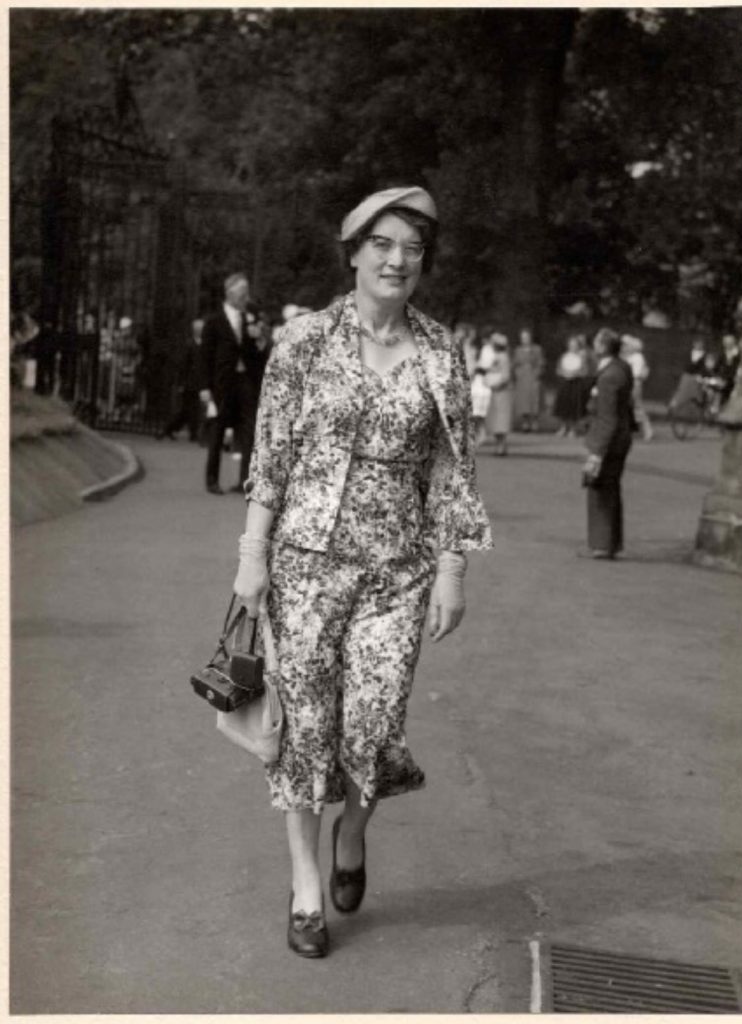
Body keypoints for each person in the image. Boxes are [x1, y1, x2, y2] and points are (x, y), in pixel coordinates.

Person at [232, 185, 492, 958]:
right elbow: (271, 456)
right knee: (306, 729)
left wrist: (452, 570)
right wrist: (251, 558)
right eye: (382, 243)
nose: (397, 258)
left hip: (397, 572)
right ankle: (306, 888)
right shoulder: (305, 341)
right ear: (353, 252)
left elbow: (452, 468)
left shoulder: (442, 351)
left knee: (372, 728)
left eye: (412, 247)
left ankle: (355, 831)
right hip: (305, 566)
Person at [199, 273, 270, 494]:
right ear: (230, 294)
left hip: (246, 380)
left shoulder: (251, 317)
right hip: (223, 382)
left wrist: (259, 340)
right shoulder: (214, 321)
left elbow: (260, 353)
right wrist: (204, 387)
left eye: (246, 293)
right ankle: (212, 479)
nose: (246, 298)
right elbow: (205, 356)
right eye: (242, 293)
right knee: (219, 429)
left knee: (248, 429)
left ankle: (244, 480)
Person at [581, 329, 634, 559]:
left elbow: (607, 417)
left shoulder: (609, 376)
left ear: (602, 347)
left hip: (609, 440)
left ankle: (601, 544)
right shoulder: (622, 368)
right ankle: (610, 543)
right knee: (610, 489)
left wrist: (597, 452)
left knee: (600, 489)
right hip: (620, 437)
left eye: (596, 343)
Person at [158, 318, 205, 441]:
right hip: (190, 382)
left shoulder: (203, 344)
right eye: (200, 329)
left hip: (198, 382)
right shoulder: (189, 345)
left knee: (189, 410)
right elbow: (184, 365)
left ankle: (169, 429)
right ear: (196, 331)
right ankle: (187, 432)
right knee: (189, 409)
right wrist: (181, 383)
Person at [483, 332, 513, 455]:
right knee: (496, 419)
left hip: (502, 391)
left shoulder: (503, 357)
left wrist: (496, 383)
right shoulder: (495, 357)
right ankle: (499, 445)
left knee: (501, 419)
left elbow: (506, 376)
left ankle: (501, 445)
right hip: (495, 391)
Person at [553, 334, 587, 437]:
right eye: (571, 345)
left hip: (575, 384)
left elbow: (584, 371)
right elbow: (558, 369)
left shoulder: (581, 357)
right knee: (563, 406)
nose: (572, 347)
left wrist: (575, 374)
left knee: (573, 407)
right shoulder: (564, 356)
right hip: (565, 383)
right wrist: (564, 373)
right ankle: (563, 427)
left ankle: (573, 429)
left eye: (575, 345)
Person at [512, 326, 544, 432]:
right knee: (523, 400)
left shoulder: (537, 349)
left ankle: (534, 422)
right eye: (523, 337)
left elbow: (541, 363)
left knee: (534, 398)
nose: (525, 339)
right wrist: (517, 373)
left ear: (530, 338)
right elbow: (515, 364)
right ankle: (525, 423)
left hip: (533, 375)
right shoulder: (518, 350)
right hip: (522, 377)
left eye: (526, 337)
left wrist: (537, 373)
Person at [621, 334, 652, 442]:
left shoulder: (637, 357)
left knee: (637, 407)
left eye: (626, 345)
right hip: (626, 383)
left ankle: (647, 430)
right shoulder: (626, 357)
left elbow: (636, 373)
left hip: (634, 384)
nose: (623, 347)